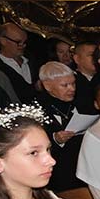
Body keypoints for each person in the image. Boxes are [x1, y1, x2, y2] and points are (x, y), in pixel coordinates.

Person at [35, 62, 83, 192]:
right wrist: (55, 139)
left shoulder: (80, 101)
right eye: (65, 85)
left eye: (73, 84)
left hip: (83, 165)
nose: (72, 89)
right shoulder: (37, 109)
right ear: (48, 86)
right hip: (57, 172)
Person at [0, 22, 35, 102]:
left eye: (25, 42)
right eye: (18, 42)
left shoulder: (35, 61)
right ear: (3, 40)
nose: (23, 46)